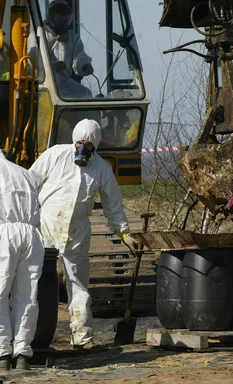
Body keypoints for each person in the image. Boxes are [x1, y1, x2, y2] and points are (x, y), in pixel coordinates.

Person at [28, 118, 137, 350]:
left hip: (77, 232)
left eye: (88, 145)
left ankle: (81, 338)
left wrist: (124, 233)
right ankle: (29, 335)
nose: (82, 148)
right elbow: (30, 182)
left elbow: (113, 205)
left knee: (78, 285)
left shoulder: (102, 168)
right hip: (46, 226)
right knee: (35, 281)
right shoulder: (55, 154)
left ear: (95, 146)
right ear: (73, 140)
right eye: (80, 142)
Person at [0, 150, 45, 371]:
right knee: (26, 296)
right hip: (32, 235)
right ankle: (22, 355)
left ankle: (2, 354)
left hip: (5, 234)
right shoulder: (24, 173)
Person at [44, 0, 93, 98]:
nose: (63, 24)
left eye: (65, 21)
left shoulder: (73, 38)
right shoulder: (39, 35)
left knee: (86, 94)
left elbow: (79, 56)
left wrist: (85, 66)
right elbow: (34, 61)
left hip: (65, 82)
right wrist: (53, 66)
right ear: (50, 19)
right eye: (60, 21)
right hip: (45, 84)